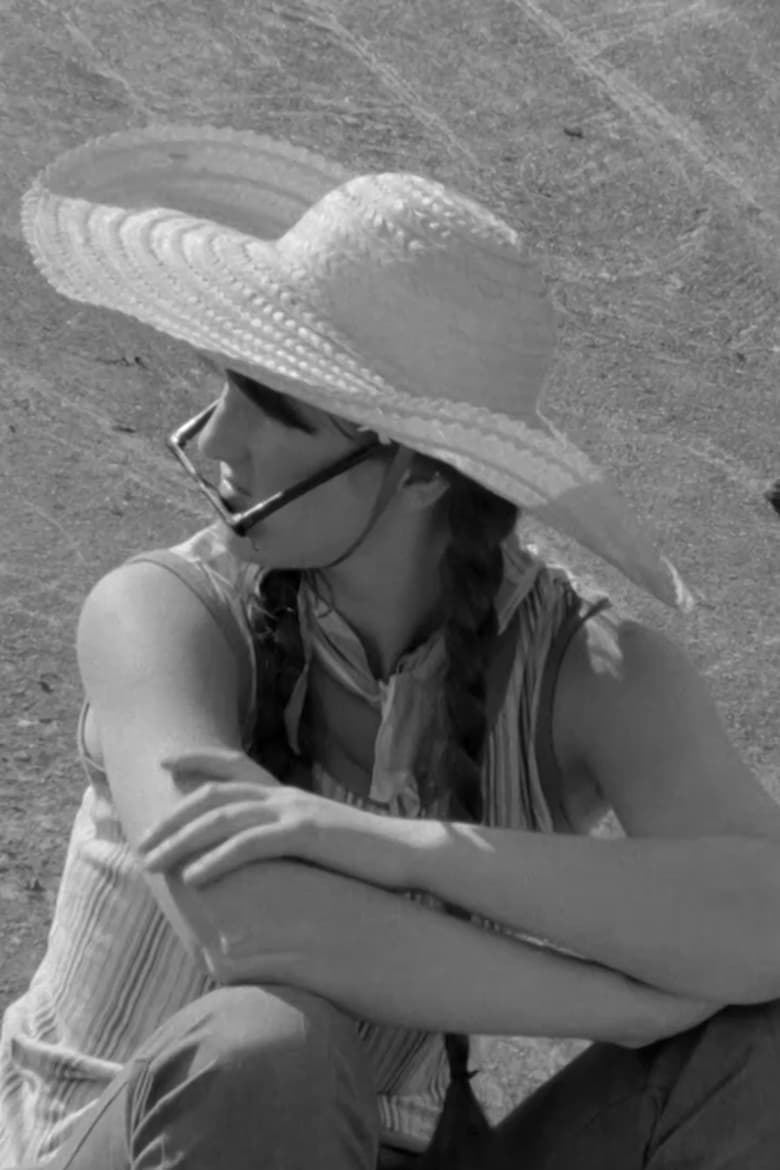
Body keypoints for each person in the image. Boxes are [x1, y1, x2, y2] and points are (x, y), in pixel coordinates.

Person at [3, 124, 780, 1170]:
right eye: (226, 387)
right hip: (116, 1143)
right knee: (267, 1047)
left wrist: (388, 845)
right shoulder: (161, 613)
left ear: (419, 471)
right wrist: (622, 1008)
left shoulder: (593, 674)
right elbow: (247, 927)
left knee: (763, 1047)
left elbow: (768, 922)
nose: (215, 439)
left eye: (270, 409)